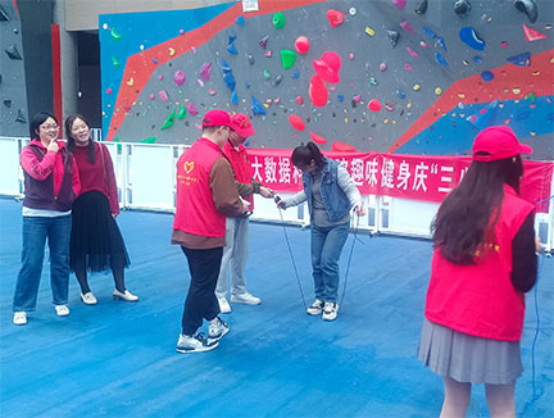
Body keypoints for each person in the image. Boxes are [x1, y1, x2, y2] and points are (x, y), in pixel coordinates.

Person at [418, 126, 541, 417]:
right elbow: (524, 279)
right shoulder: (519, 211)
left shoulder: (451, 203)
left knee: (453, 402)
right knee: (502, 406)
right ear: (513, 162)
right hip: (491, 323)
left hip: (445, 317)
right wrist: (531, 248)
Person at [172, 109, 249, 353]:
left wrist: (250, 190)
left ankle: (214, 322)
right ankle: (188, 335)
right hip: (206, 232)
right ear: (222, 130)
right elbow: (227, 201)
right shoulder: (218, 160)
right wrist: (242, 206)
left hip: (186, 229)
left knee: (200, 281)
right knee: (202, 285)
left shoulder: (188, 155)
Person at [276, 142, 365, 321]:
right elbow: (307, 193)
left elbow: (351, 190)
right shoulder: (308, 174)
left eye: (302, 167)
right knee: (316, 262)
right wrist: (288, 203)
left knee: (328, 261)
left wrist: (357, 204)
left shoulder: (336, 170)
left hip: (338, 223)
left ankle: (331, 301)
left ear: (312, 162)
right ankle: (321, 298)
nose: (301, 171)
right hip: (317, 224)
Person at [13, 112, 81, 325]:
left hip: (62, 215)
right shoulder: (28, 152)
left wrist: (70, 196)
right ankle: (22, 306)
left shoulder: (66, 152)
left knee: (61, 260)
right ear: (37, 130)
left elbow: (75, 179)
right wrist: (51, 152)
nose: (52, 130)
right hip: (36, 215)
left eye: (54, 126)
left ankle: (60, 300)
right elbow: (38, 173)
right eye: (46, 127)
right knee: (32, 261)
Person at [65, 115, 138, 305]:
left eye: (83, 126)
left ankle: (120, 288)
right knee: (79, 249)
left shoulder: (101, 149)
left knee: (115, 247)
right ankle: (85, 290)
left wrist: (114, 205)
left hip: (101, 205)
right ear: (70, 133)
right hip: (78, 207)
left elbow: (110, 178)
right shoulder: (66, 153)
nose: (81, 131)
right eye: (76, 128)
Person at [215, 113, 275, 314]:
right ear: (229, 131)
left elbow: (246, 177)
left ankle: (239, 291)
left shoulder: (242, 150)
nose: (244, 137)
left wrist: (260, 186)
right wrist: (257, 189)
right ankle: (219, 294)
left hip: (244, 206)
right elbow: (230, 183)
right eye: (241, 133)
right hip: (228, 207)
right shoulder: (222, 152)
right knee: (225, 252)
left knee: (241, 252)